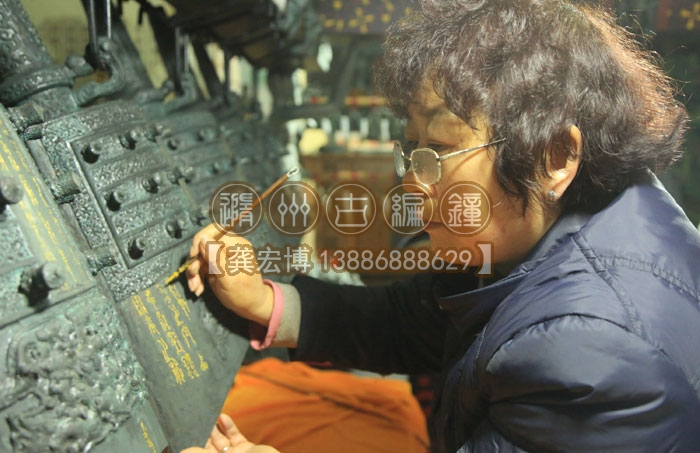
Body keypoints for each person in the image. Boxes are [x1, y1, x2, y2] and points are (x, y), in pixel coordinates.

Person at [184, 0, 700, 451]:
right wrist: (265, 301)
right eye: (413, 149)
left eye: (441, 150)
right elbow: (408, 322)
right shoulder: (539, 234)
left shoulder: (592, 349)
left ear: (555, 156)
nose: (412, 183)